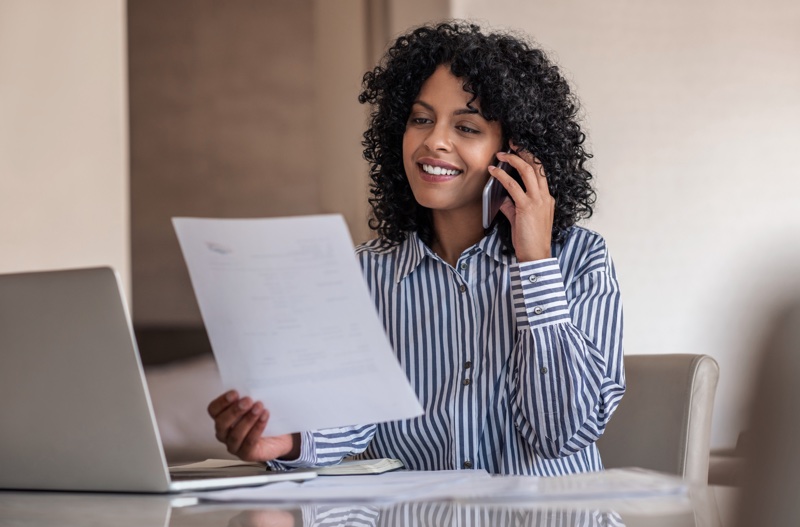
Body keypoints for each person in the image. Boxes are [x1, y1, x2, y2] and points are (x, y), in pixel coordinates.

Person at [207, 21, 625, 476]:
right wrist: (286, 443)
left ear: (516, 153)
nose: (434, 141)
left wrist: (536, 264)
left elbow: (562, 432)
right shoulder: (364, 275)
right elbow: (352, 419)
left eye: (466, 127)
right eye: (421, 119)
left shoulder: (580, 260)